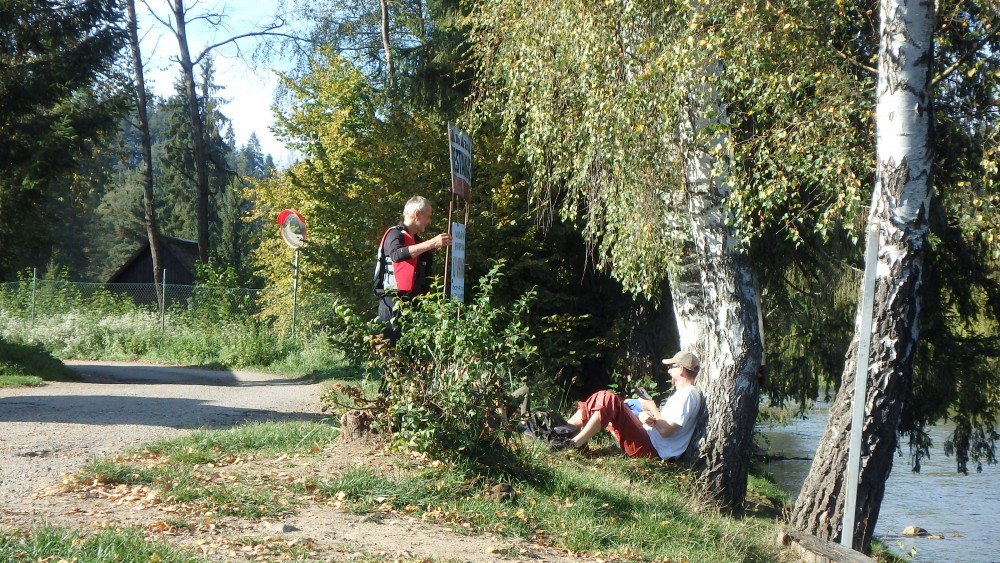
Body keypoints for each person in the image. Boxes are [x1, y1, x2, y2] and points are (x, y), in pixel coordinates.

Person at [554, 351, 702, 460]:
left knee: (609, 398)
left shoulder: (687, 396)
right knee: (603, 397)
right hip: (650, 441)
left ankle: (573, 444)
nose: (669, 370)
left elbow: (666, 431)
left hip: (652, 449)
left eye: (672, 366)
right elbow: (664, 425)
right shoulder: (684, 395)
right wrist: (645, 416)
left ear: (681, 369)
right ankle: (563, 432)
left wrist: (652, 407)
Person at [374, 196, 451, 342]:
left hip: (413, 304)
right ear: (417, 214)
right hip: (392, 303)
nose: (429, 221)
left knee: (411, 350)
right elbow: (396, 254)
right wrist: (432, 243)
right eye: (428, 216)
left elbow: (425, 277)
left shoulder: (418, 242)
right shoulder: (394, 234)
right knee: (391, 349)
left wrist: (428, 303)